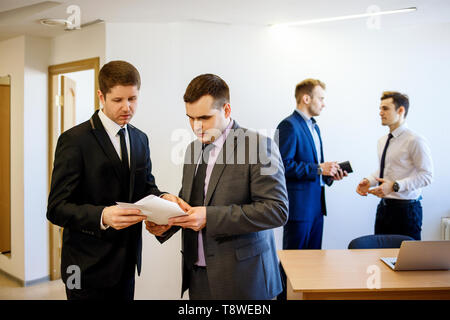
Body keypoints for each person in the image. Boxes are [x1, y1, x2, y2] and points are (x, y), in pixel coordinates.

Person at [146, 73, 289, 300]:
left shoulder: (260, 145)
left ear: (227, 110)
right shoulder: (193, 149)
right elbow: (192, 203)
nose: (196, 126)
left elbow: (276, 211)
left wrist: (209, 217)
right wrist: (168, 223)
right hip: (197, 275)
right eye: (190, 118)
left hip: (245, 278)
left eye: (204, 117)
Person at [47, 60, 180, 300]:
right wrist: (102, 216)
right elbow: (56, 208)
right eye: (118, 100)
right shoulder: (74, 140)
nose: (127, 107)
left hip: (126, 265)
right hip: (84, 267)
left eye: (133, 99)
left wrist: (163, 198)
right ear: (101, 96)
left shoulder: (141, 139)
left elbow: (146, 187)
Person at [276, 79, 347, 251]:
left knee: (313, 263)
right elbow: (282, 166)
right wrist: (319, 168)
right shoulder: (288, 126)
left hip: (317, 207)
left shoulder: (315, 128)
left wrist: (329, 174)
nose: (324, 104)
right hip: (299, 209)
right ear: (306, 99)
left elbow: (316, 166)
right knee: (293, 264)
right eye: (321, 98)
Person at [356, 91, 433, 240]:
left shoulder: (415, 140)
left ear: (401, 110)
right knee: (379, 256)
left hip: (407, 211)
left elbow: (427, 176)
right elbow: (386, 169)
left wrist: (395, 186)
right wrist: (369, 180)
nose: (380, 113)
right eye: (380, 108)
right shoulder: (382, 141)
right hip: (384, 208)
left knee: (408, 262)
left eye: (385, 108)